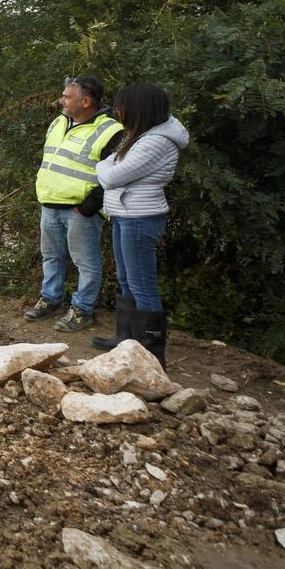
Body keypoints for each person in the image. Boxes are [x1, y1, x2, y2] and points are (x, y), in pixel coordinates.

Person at [90, 83, 188, 365]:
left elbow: (109, 175)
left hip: (141, 218)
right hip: (125, 214)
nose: (118, 111)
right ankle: (126, 340)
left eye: (122, 106)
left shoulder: (157, 142)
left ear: (138, 108)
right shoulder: (139, 135)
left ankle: (150, 355)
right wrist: (106, 167)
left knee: (142, 284)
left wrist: (104, 168)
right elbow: (110, 164)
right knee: (126, 279)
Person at [26, 76, 124, 332]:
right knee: (51, 257)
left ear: (86, 101)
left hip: (80, 210)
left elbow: (117, 173)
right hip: (50, 204)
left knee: (86, 263)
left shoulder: (111, 130)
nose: (62, 100)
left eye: (67, 96)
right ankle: (50, 299)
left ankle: (82, 310)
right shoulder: (59, 122)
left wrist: (90, 205)